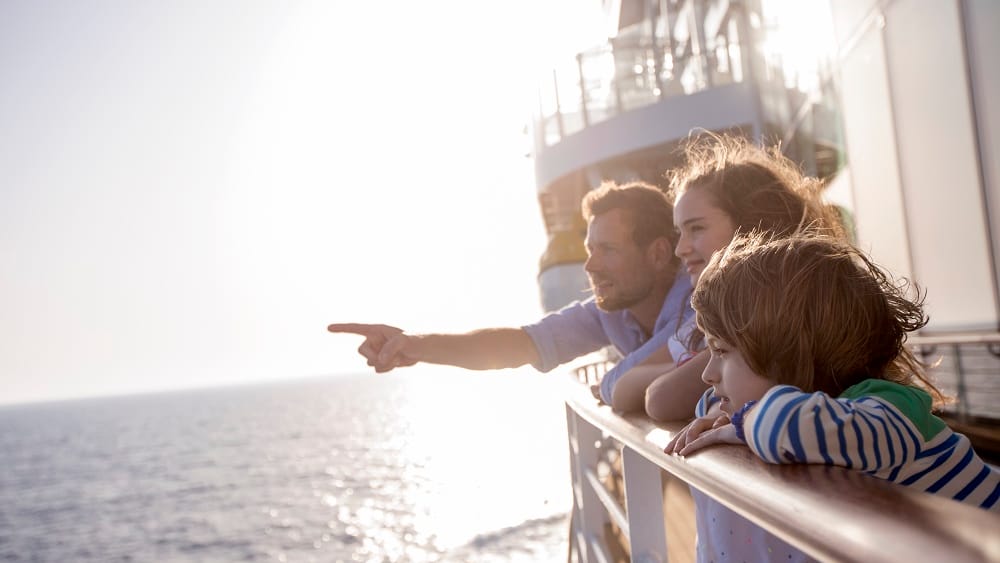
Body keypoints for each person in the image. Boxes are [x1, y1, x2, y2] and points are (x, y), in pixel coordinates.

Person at [665, 232, 999, 560]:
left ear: (790, 353)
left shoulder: (892, 410)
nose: (707, 374)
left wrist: (742, 421)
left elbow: (782, 426)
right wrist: (724, 416)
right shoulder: (826, 409)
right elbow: (715, 408)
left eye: (721, 350)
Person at [328, 180, 696, 389]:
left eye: (608, 250)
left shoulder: (699, 307)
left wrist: (610, 385)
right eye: (590, 249)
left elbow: (623, 381)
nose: (590, 264)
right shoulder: (613, 312)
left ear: (659, 254)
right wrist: (415, 345)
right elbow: (520, 344)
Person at [606, 132, 845, 418]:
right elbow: (622, 388)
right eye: (679, 233)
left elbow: (659, 398)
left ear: (751, 227)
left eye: (697, 229)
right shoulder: (709, 318)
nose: (680, 249)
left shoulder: (771, 313)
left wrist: (706, 359)